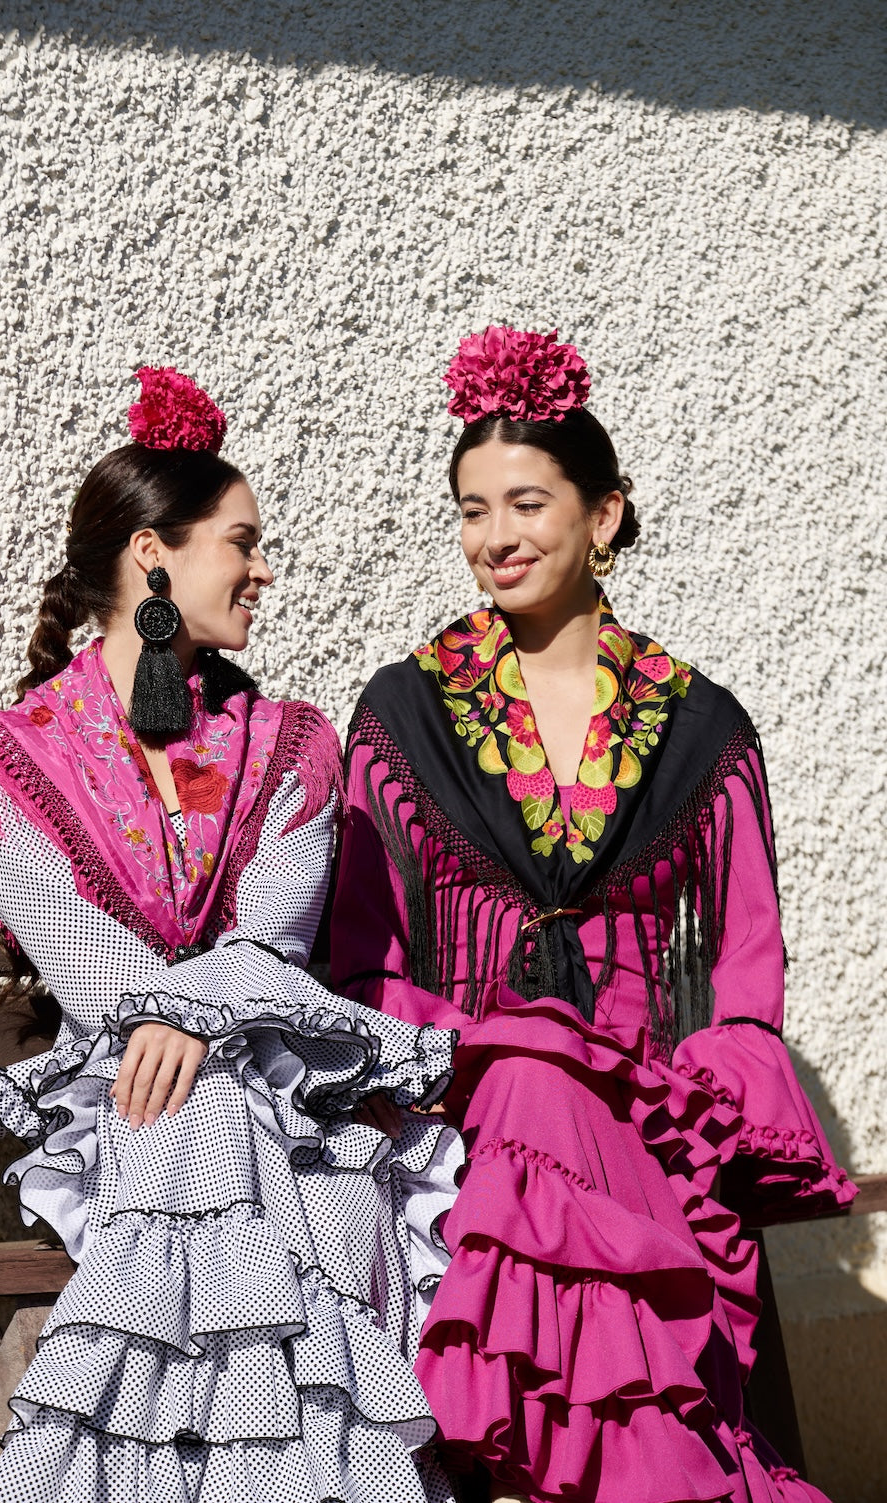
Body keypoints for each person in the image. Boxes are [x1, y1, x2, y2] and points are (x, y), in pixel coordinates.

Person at [331, 327, 855, 1503]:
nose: (495, 538)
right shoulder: (406, 713)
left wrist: (700, 1098)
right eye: (472, 511)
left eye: (526, 504)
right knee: (532, 1075)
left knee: (562, 1088)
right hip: (465, 1096)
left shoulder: (701, 728)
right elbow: (362, 954)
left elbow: (743, 971)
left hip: (647, 1111)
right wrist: (471, 1048)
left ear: (603, 514)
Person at [0, 366, 462, 1503]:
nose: (264, 569)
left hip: (270, 1071)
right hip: (118, 1088)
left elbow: (275, 929)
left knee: (238, 1127)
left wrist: (190, 1017)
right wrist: (172, 1020)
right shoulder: (14, 757)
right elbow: (71, 944)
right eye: (242, 541)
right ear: (153, 555)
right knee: (197, 1118)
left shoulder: (291, 743)